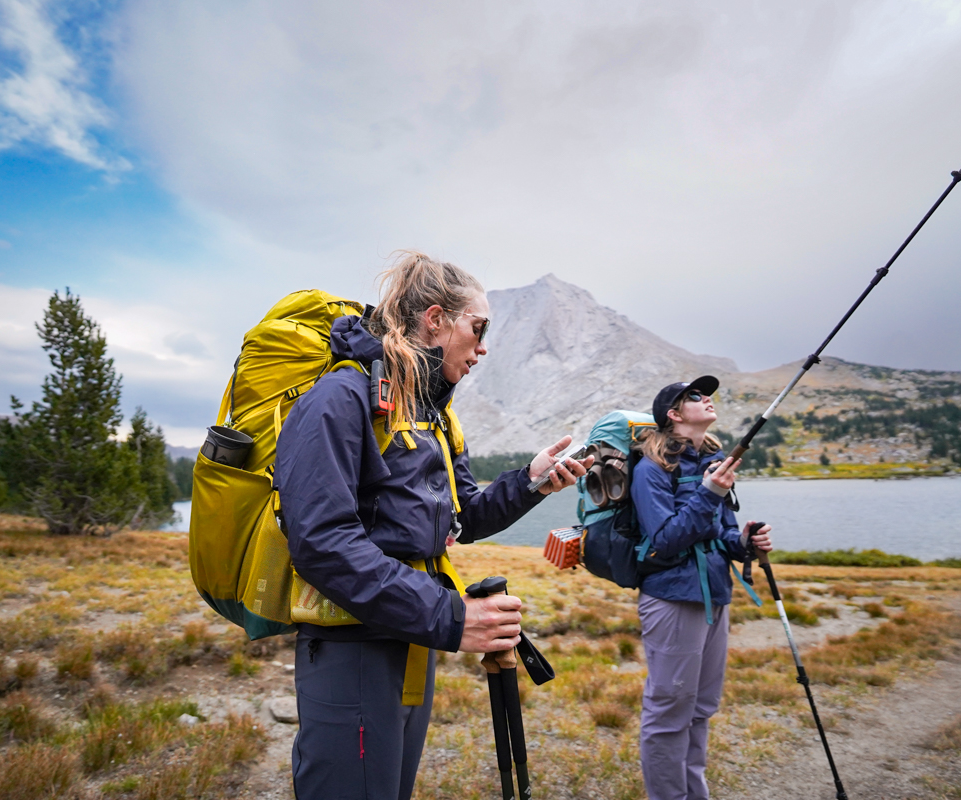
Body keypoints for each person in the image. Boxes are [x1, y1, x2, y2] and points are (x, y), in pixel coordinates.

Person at [276, 251, 590, 800]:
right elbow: (321, 542)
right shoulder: (340, 397)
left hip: (410, 636)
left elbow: (460, 516)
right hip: (350, 650)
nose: (484, 346)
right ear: (436, 320)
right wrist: (451, 616)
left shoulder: (433, 415)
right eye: (478, 327)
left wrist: (533, 480)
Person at [630, 376, 774, 800]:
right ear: (674, 415)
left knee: (700, 709)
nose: (706, 398)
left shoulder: (713, 462)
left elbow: (722, 537)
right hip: (672, 599)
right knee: (669, 711)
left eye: (705, 393)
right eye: (694, 396)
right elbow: (665, 541)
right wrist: (710, 493)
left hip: (715, 595)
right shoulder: (650, 470)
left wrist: (746, 541)